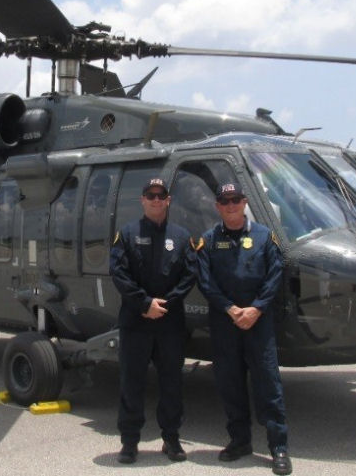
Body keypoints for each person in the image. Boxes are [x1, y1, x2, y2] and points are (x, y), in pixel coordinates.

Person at [196, 181, 292, 475]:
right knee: (230, 384)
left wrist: (257, 307)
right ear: (218, 207)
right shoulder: (209, 240)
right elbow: (205, 281)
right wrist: (230, 308)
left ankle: (278, 448)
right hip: (226, 323)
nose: (231, 205)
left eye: (236, 200)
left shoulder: (264, 237)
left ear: (244, 202)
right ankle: (239, 441)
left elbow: (275, 275)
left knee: (268, 385)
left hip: (258, 322)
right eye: (225, 201)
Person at [109, 178, 197, 464]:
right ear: (142, 200)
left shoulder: (182, 237)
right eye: (151, 195)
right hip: (137, 322)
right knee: (131, 383)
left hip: (170, 324)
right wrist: (144, 303)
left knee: (172, 383)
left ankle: (171, 440)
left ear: (168, 200)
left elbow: (189, 275)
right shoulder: (128, 233)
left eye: (161, 196)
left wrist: (165, 304)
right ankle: (130, 442)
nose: (156, 200)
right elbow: (119, 273)